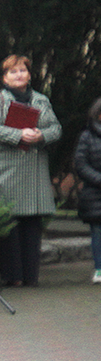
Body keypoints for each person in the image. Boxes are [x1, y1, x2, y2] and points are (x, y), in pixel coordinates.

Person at [0, 54, 61, 287]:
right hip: (9, 171)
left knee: (32, 225)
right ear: (5, 78)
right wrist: (19, 135)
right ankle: (12, 276)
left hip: (34, 170)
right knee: (11, 224)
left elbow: (56, 128)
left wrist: (41, 135)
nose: (19, 75)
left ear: (29, 74)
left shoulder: (41, 100)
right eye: (13, 72)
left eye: (23, 70)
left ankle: (30, 276)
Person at [73, 97, 101, 283]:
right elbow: (81, 164)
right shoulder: (87, 136)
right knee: (98, 233)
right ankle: (99, 268)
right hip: (95, 195)